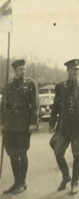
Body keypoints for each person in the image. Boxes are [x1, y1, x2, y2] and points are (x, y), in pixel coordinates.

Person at [49, 59, 79, 195]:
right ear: (67, 70)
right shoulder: (60, 87)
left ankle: (75, 181)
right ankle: (66, 176)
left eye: (77, 70)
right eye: (73, 70)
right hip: (64, 125)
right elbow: (56, 106)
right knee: (57, 151)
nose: (76, 72)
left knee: (77, 154)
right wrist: (51, 122)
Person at [0, 59, 39, 194]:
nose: (23, 71)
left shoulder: (30, 84)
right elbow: (3, 106)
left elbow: (35, 105)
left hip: (23, 124)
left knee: (22, 153)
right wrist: (2, 123)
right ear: (14, 70)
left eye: (24, 69)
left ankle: (22, 183)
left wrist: (34, 122)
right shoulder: (7, 85)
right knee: (11, 153)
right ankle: (16, 182)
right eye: (20, 69)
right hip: (10, 124)